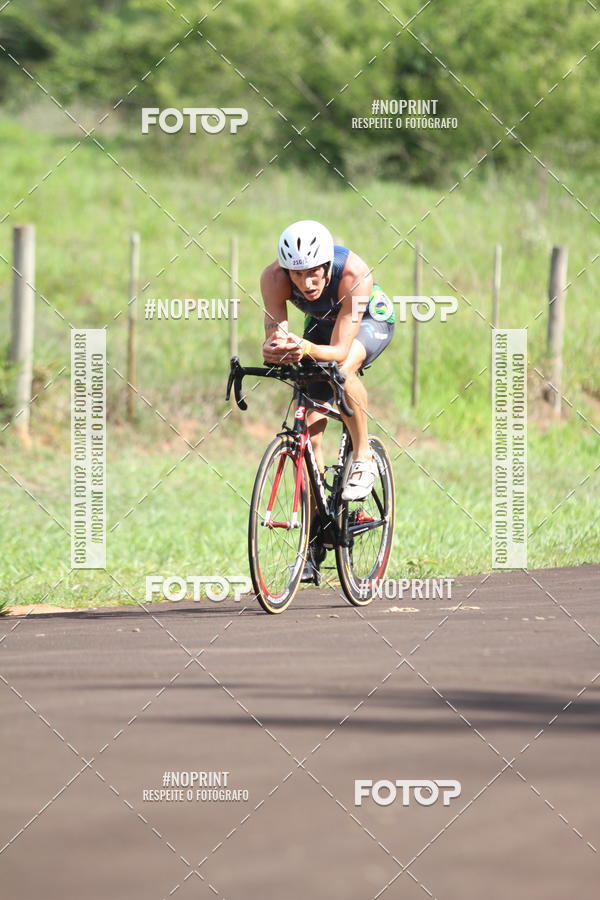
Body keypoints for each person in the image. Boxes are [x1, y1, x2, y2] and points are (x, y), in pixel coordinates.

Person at [260, 220, 395, 581]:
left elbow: (337, 351)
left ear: (326, 264)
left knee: (342, 369)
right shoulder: (273, 278)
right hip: (322, 324)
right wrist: (275, 347)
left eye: (313, 272)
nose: (305, 283)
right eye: (297, 274)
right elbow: (277, 330)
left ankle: (363, 455)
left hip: (367, 318)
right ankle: (316, 535)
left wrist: (304, 347)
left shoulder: (353, 273)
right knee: (311, 436)